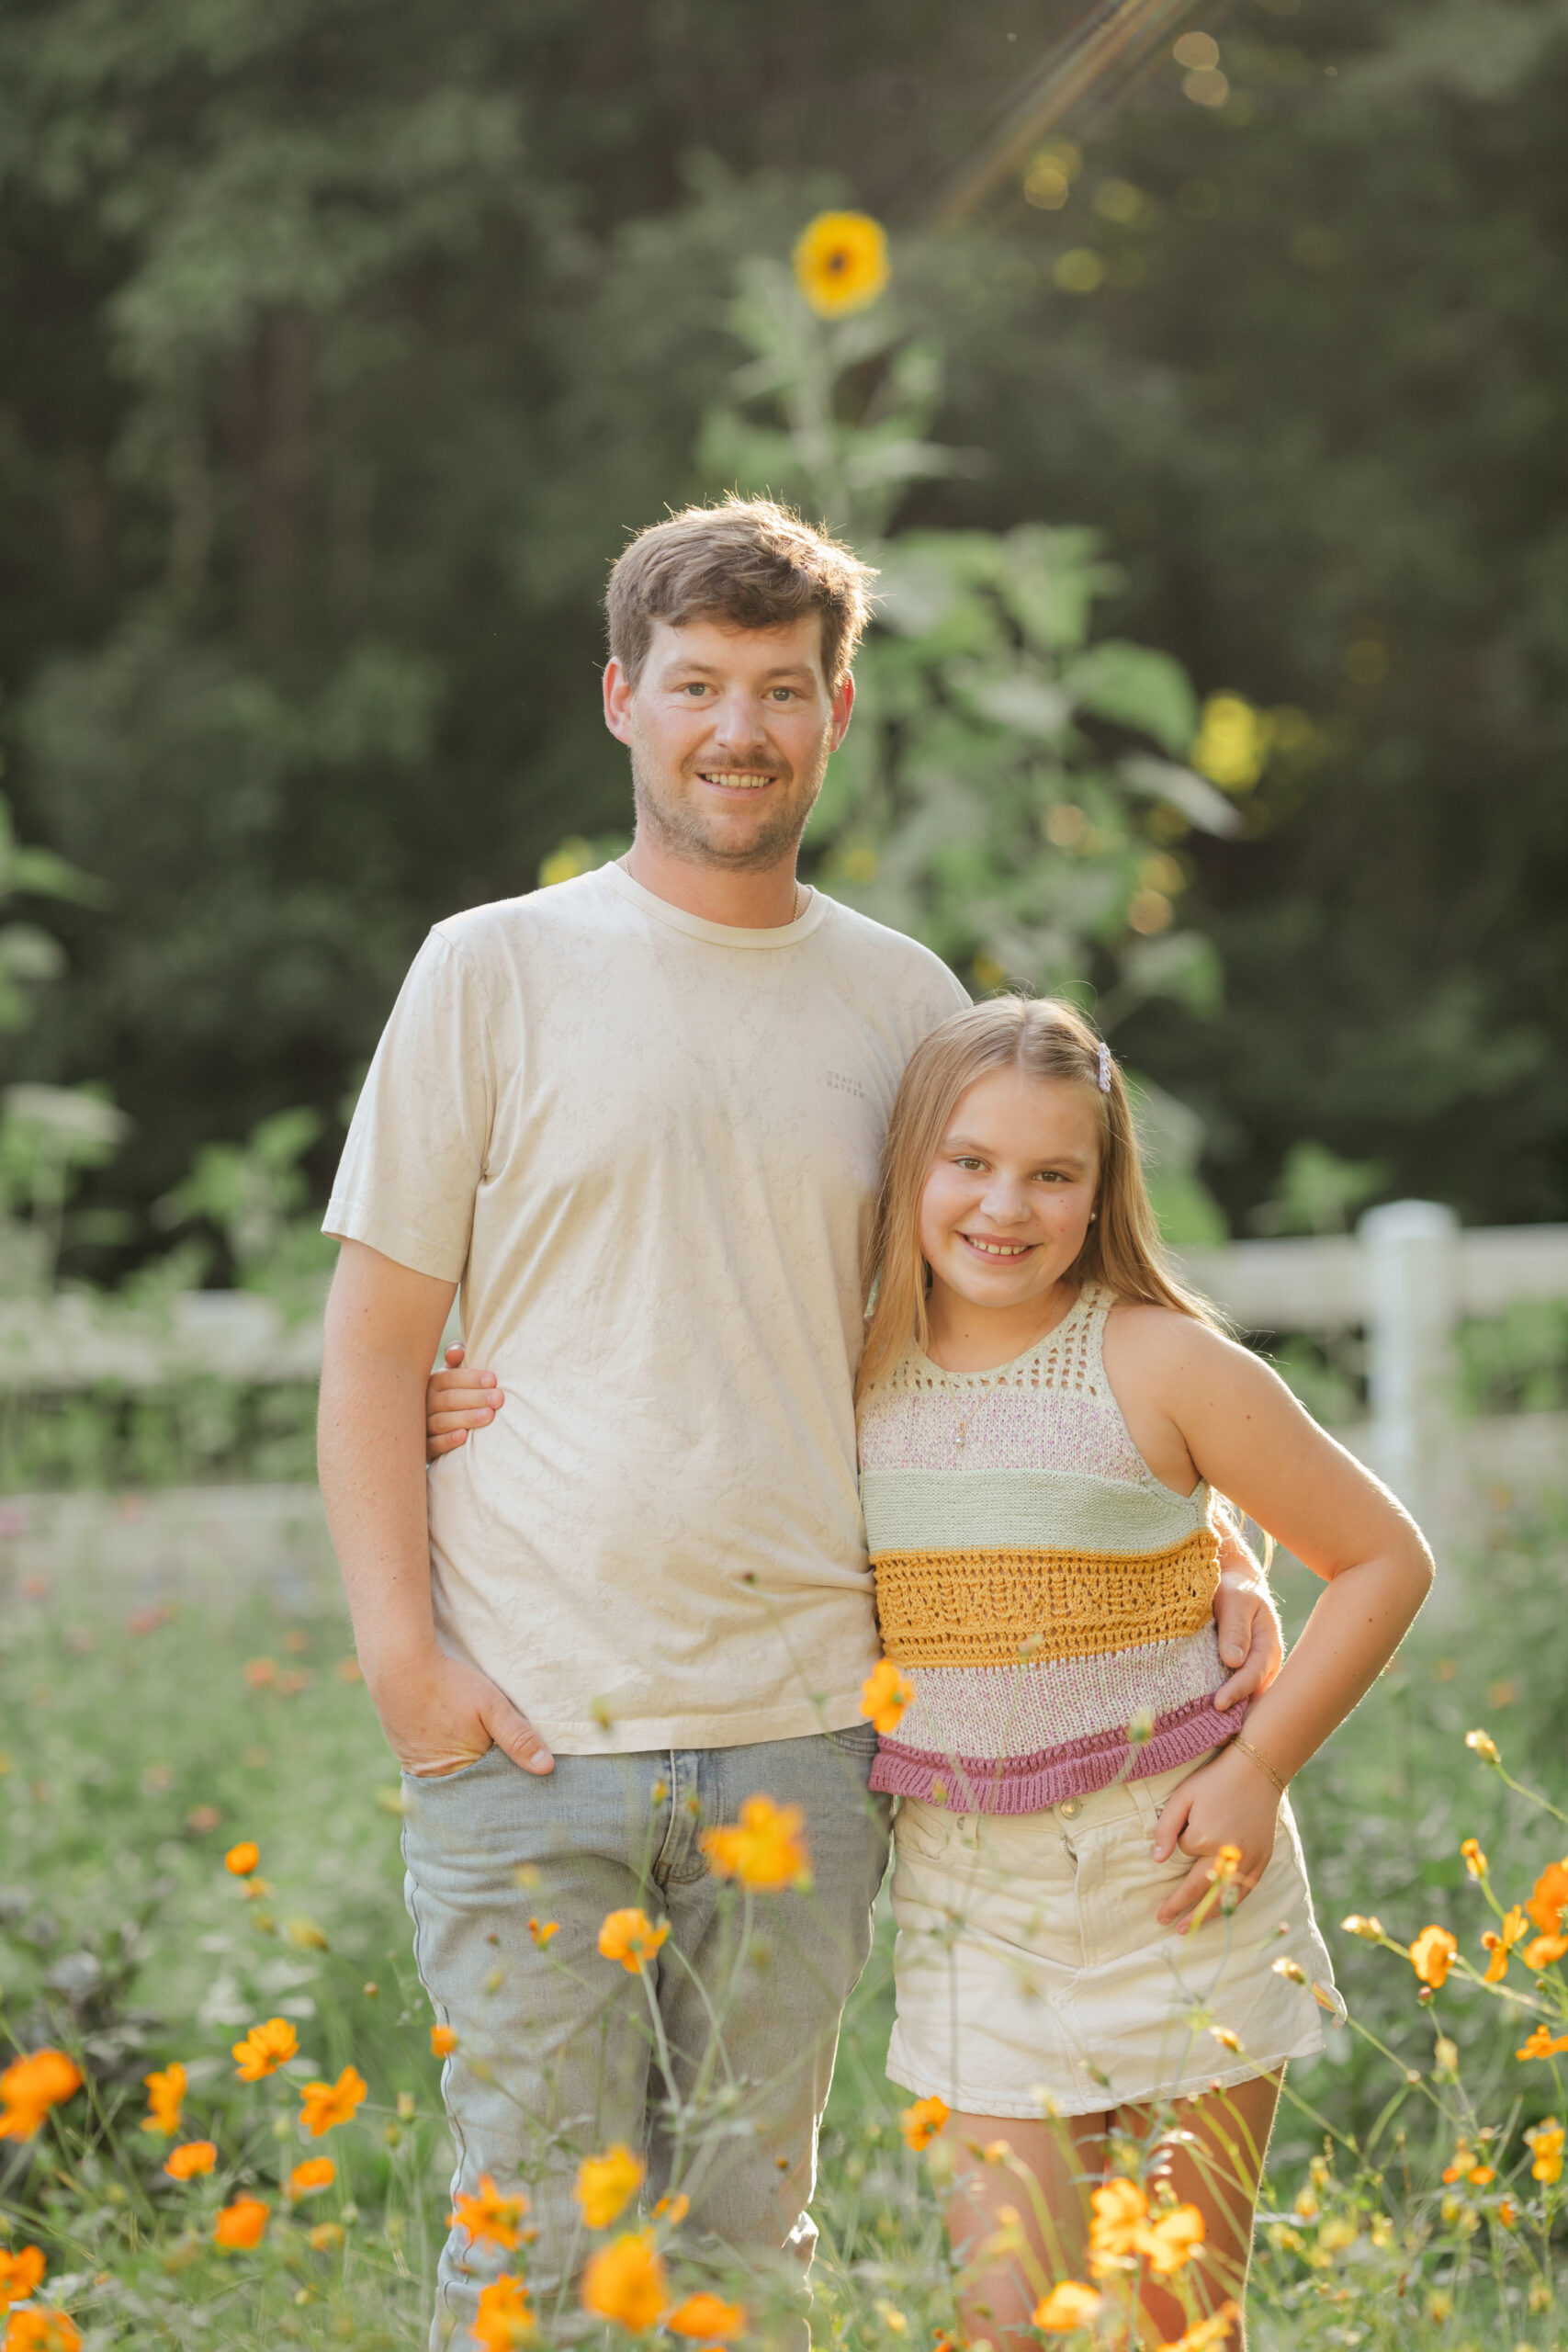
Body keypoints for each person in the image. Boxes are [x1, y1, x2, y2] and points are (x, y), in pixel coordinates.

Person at [317, 494, 1281, 2349]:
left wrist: (1214, 1546)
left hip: (812, 1733)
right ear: (620, 697)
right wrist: (402, 1665)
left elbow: (1022, 1321)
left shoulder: (902, 1005)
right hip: (530, 1720)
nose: (734, 727)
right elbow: (373, 1348)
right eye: (695, 683)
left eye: (779, 687)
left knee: (741, 2252)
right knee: (528, 2263)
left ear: (836, 710)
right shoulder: (488, 971)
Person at [849, 994, 1432, 2348]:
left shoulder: (1158, 1357)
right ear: (907, 1168)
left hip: (1179, 1874)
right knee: (1009, 2320)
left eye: (1055, 1172)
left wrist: (1261, 1768)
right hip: (973, 1898)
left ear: (1103, 1190)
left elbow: (1384, 1560)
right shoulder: (848, 1359)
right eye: (970, 1161)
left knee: (1174, 2320)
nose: (1009, 1204)